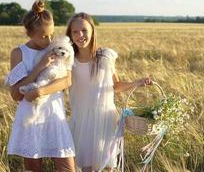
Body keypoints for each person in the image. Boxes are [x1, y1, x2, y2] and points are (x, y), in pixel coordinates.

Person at [65, 12, 152, 172]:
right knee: (87, 168)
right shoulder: (69, 61)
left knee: (107, 167)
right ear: (70, 35)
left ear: (92, 31)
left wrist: (136, 83)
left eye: (84, 30)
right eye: (75, 32)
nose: (80, 35)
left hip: (105, 119)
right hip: (82, 120)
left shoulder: (104, 56)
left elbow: (115, 86)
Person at [5, 0, 76, 172]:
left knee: (67, 168)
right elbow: (16, 94)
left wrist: (39, 91)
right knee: (33, 168)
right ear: (29, 33)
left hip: (54, 114)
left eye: (51, 34)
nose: (49, 40)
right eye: (44, 36)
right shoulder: (19, 53)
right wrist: (39, 66)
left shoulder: (56, 47)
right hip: (30, 117)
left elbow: (67, 80)